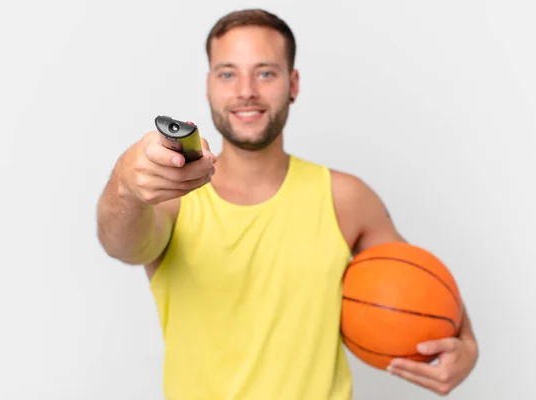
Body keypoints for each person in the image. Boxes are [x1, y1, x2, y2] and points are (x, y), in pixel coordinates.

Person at [97, 8, 478, 399]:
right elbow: (120, 244)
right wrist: (126, 184)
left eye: (265, 72)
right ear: (209, 85)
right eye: (228, 73)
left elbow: (417, 287)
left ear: (293, 84)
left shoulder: (345, 198)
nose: (246, 90)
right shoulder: (174, 199)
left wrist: (466, 342)